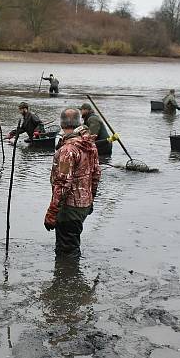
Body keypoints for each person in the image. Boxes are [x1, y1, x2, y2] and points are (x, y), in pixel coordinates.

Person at [43, 108, 101, 257]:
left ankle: (68, 276)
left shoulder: (67, 150)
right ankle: (71, 273)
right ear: (78, 123)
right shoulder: (89, 144)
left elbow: (62, 184)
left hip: (69, 207)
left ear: (62, 125)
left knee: (66, 250)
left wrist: (51, 212)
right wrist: (91, 199)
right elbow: (96, 174)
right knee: (72, 242)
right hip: (84, 204)